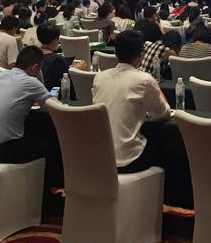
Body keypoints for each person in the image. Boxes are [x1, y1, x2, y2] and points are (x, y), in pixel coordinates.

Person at [0, 46, 63, 214]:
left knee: (35, 127)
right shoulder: (30, 82)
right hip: (8, 149)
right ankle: (49, 200)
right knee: (51, 144)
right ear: (35, 68)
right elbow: (56, 109)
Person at [92, 30, 171, 172]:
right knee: (168, 144)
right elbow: (163, 114)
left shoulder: (99, 77)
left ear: (116, 54)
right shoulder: (144, 80)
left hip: (101, 157)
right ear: (141, 56)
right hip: (129, 161)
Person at [38, 24, 86, 89]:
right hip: (54, 92)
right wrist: (75, 70)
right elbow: (67, 79)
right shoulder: (57, 59)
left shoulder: (34, 55)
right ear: (55, 39)